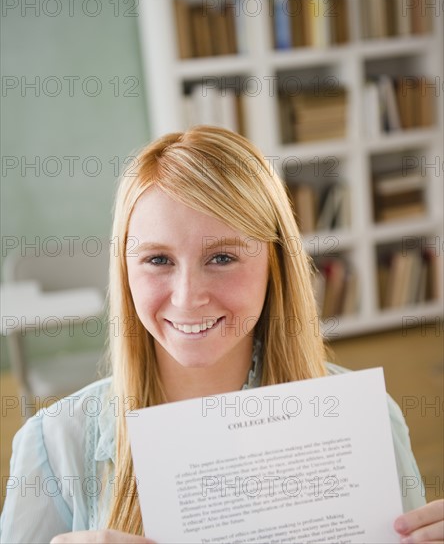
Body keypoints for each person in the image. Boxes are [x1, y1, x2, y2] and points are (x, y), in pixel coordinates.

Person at [1, 126, 442, 543]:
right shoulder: (54, 446)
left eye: (222, 258)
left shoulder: (369, 421)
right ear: (125, 272)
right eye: (158, 260)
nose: (188, 297)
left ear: (275, 265)